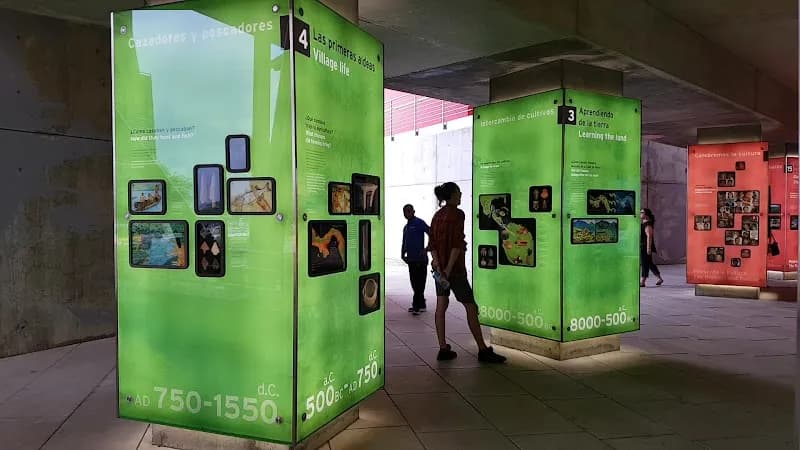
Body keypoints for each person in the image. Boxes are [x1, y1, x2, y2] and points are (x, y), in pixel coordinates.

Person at [428, 182, 506, 363]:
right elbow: (456, 244)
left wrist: (439, 268)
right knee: (471, 307)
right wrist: (448, 269)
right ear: (452, 195)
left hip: (440, 272)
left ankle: (442, 348)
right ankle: (482, 349)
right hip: (455, 271)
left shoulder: (437, 215)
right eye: (459, 192)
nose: (461, 195)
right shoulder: (458, 214)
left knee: (441, 307)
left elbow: (432, 244)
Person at [401, 204, 430, 314]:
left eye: (408, 211)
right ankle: (421, 304)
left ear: (413, 211)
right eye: (405, 212)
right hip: (411, 259)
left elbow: (432, 233)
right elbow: (404, 242)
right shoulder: (406, 227)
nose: (406, 213)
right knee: (414, 282)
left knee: (419, 283)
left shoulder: (419, 223)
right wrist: (402, 254)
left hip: (420, 259)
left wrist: (427, 248)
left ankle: (416, 305)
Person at [640, 208, 664, 287]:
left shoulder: (648, 225)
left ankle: (642, 280)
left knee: (645, 263)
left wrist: (648, 248)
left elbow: (649, 236)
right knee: (649, 263)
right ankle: (659, 278)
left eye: (642, 212)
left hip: (645, 247)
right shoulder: (643, 223)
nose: (640, 213)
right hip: (643, 246)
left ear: (646, 214)